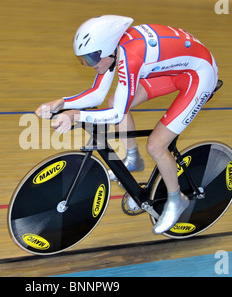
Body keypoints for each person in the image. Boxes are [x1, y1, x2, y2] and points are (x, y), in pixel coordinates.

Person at [35, 15, 219, 234]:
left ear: (107, 50)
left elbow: (115, 115)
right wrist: (62, 102)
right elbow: (97, 95)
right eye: (84, 60)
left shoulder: (129, 57)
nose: (90, 65)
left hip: (200, 74)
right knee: (115, 99)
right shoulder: (114, 51)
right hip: (176, 68)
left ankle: (176, 199)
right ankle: (133, 158)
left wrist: (75, 115)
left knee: (156, 145)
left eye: (92, 59)